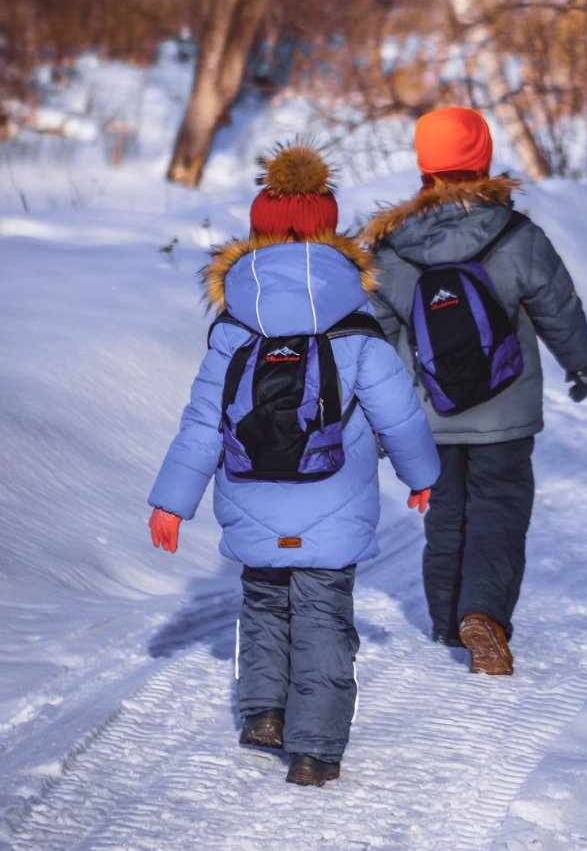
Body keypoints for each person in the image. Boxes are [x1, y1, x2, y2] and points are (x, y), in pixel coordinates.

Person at [147, 143, 439, 786]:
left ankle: (264, 715)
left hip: (252, 495)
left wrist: (171, 501)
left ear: (255, 236)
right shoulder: (355, 323)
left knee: (263, 604)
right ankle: (315, 750)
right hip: (332, 503)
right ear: (332, 236)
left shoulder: (233, 325)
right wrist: (422, 477)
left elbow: (203, 422)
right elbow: (400, 415)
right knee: (323, 618)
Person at [363, 107, 587, 676]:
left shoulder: (390, 250)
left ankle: (447, 620)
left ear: (425, 169)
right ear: (483, 160)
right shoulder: (517, 235)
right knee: (499, 510)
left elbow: (379, 338)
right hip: (506, 409)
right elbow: (557, 308)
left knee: (446, 515)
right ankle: (484, 616)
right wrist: (580, 363)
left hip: (430, 412)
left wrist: (386, 416)